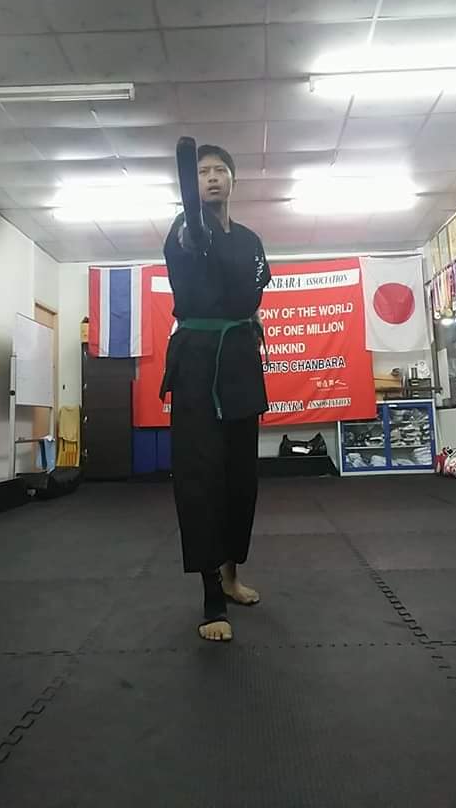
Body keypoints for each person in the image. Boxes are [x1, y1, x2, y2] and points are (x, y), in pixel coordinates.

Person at [161, 144, 271, 642]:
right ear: (193, 183)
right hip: (198, 366)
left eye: (219, 170)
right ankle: (211, 599)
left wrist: (252, 320)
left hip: (240, 362)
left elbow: (252, 292)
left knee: (241, 478)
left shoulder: (250, 240)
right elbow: (191, 240)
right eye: (202, 171)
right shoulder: (186, 230)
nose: (211, 177)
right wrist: (191, 220)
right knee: (201, 478)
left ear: (233, 180)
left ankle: (230, 577)